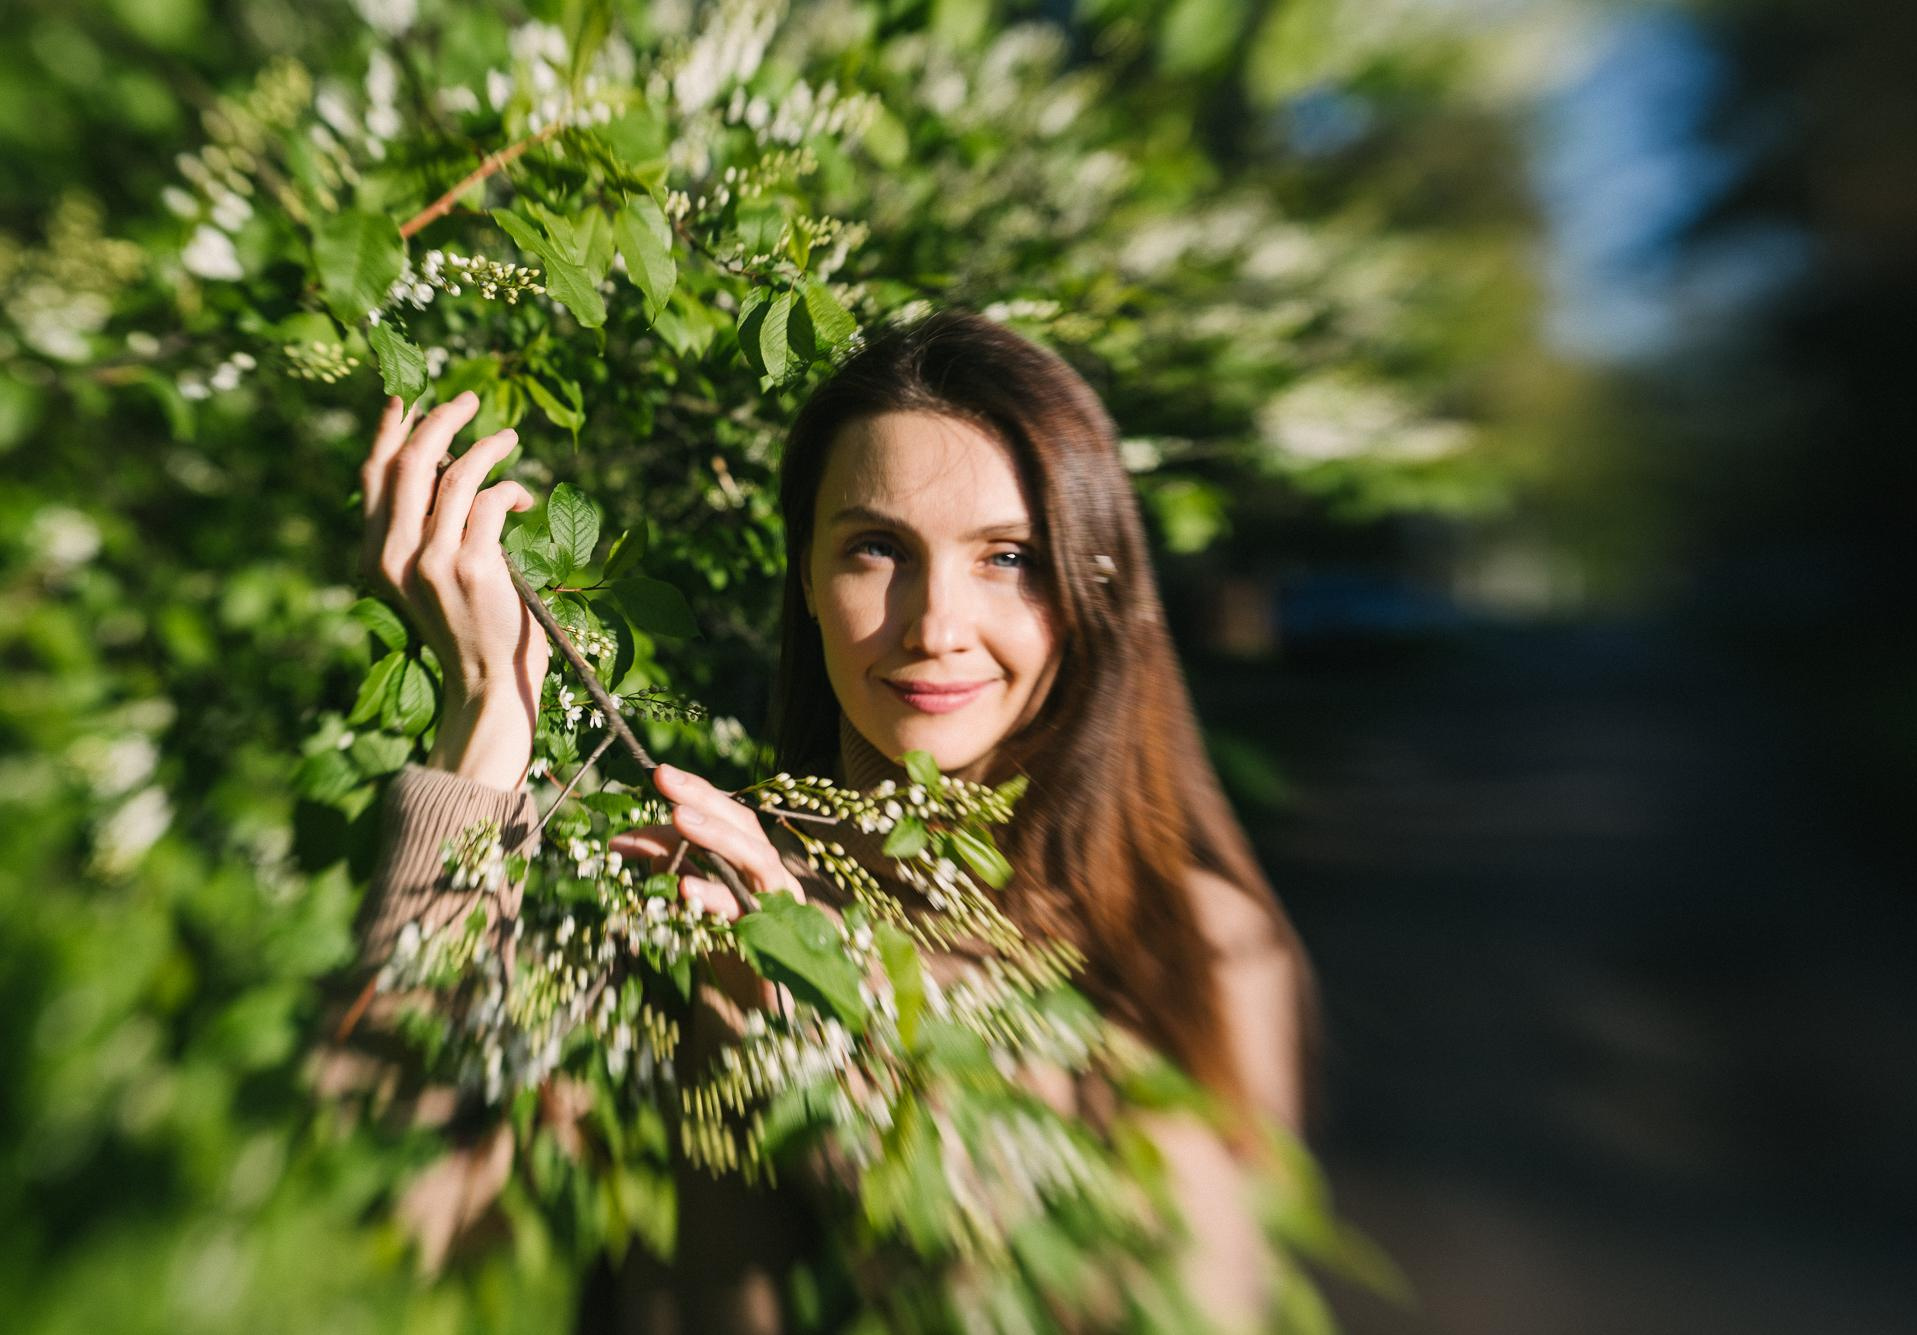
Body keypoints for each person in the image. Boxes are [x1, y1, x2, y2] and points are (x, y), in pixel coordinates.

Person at [315, 311, 1321, 1332]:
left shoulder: (1189, 947)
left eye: (1007, 557)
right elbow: (418, 1202)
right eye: (876, 549)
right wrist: (485, 720)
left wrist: (822, 1028)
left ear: (1092, 580)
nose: (934, 626)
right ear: (804, 574)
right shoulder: (685, 887)